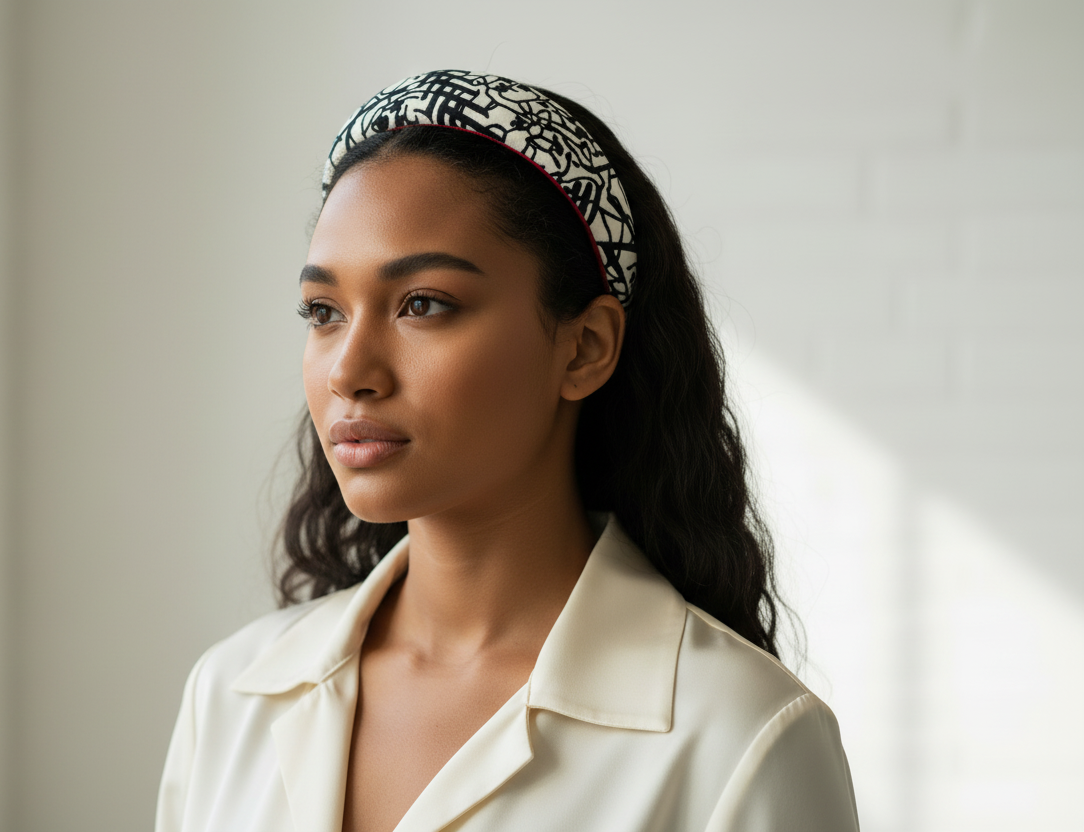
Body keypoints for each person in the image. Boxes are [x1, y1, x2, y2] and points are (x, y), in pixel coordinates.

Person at [155, 69, 859, 832]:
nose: (348, 371)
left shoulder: (742, 737)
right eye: (323, 312)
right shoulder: (230, 695)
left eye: (422, 304)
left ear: (584, 348)